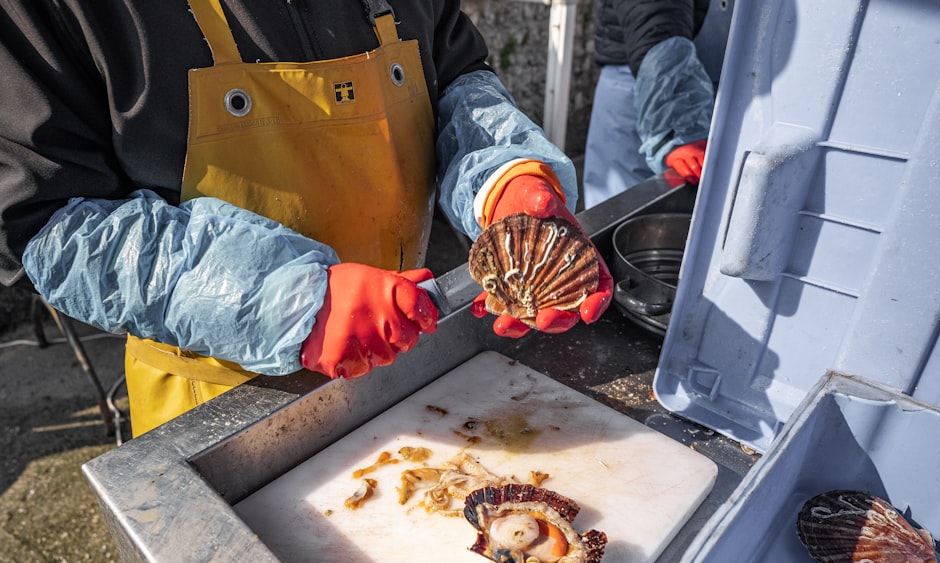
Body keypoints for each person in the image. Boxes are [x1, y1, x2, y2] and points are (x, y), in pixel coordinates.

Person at [0, 0, 612, 436]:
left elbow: (455, 76)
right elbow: (50, 222)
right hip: (218, 410)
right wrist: (289, 298)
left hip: (403, 368)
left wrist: (507, 179)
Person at [583, 0, 715, 208]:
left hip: (684, 74)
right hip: (649, 71)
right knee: (618, 215)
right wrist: (677, 122)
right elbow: (653, 10)